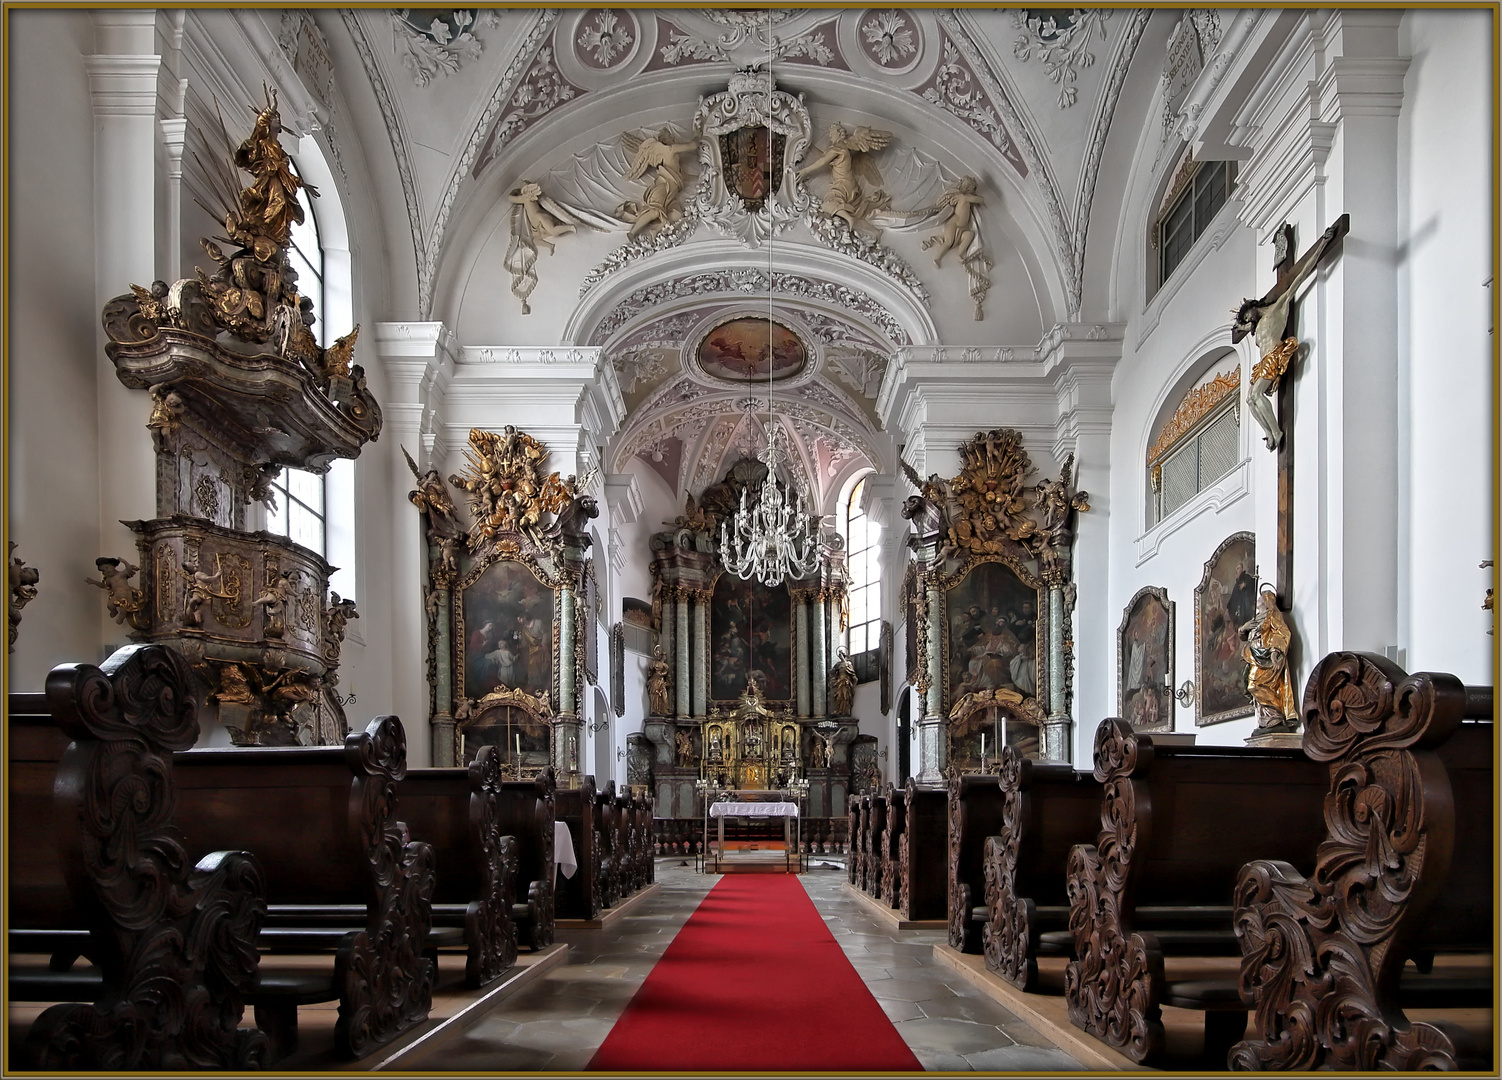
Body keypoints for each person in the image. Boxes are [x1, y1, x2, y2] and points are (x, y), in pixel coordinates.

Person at [1240, 587, 1300, 732]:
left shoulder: (1273, 615)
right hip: (1254, 656)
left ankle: (1275, 717)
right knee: (1251, 685)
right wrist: (1243, 628)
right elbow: (1244, 637)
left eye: (1261, 598)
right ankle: (1265, 720)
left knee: (1256, 686)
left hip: (1267, 657)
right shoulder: (1255, 619)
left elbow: (1282, 633)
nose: (1258, 600)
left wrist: (1275, 652)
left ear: (1267, 601)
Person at [828, 646, 858, 716]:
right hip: (838, 682)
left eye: (841, 654)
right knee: (838, 697)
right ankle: (838, 710)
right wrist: (831, 672)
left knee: (844, 696)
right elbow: (833, 672)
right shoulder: (838, 664)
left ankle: (844, 711)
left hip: (845, 682)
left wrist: (854, 679)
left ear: (843, 655)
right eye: (839, 655)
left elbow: (852, 672)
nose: (840, 656)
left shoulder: (848, 663)